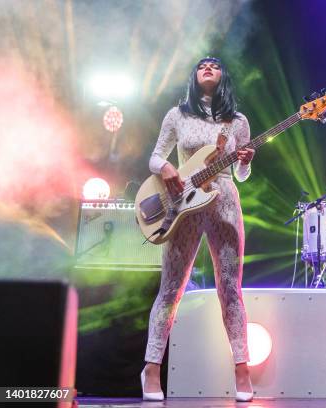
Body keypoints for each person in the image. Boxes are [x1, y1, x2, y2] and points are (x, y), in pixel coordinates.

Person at [141, 56, 255, 402]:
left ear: (223, 77)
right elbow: (156, 156)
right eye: (202, 65)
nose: (208, 67)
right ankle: (151, 368)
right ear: (194, 75)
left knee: (230, 289)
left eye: (215, 65)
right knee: (171, 289)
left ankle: (242, 368)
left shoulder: (237, 121)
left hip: (223, 203)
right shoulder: (177, 115)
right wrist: (166, 170)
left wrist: (246, 162)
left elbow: (242, 175)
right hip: (183, 203)